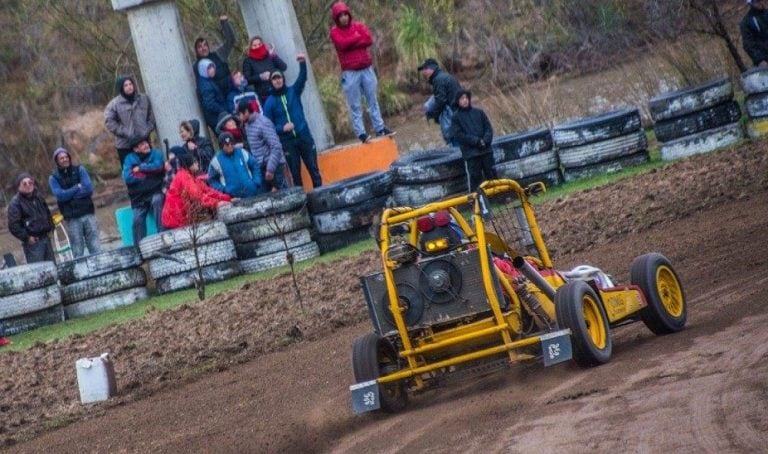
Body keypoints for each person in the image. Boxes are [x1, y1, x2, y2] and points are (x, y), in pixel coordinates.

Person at [329, 2, 394, 143]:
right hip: (350, 72)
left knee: (373, 100)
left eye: (345, 14)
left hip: (366, 68)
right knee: (355, 104)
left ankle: (380, 128)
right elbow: (342, 44)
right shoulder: (334, 32)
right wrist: (357, 38)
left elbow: (368, 39)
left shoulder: (358, 26)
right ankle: (361, 133)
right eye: (340, 16)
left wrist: (351, 41)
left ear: (349, 14)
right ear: (336, 18)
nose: (344, 18)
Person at [262, 55, 323, 188]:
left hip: (304, 136)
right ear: (271, 82)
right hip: (287, 143)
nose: (277, 81)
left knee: (314, 170)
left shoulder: (293, 91)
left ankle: (321, 198)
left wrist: (302, 63)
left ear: (283, 79)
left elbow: (302, 78)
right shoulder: (269, 102)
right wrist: (282, 129)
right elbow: (268, 127)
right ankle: (303, 204)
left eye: (279, 78)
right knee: (296, 176)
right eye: (274, 79)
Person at [48, 148, 103, 258]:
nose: (65, 160)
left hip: (88, 213)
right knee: (77, 248)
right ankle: (80, 272)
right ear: (57, 161)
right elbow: (60, 196)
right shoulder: (53, 178)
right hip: (72, 218)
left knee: (95, 245)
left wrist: (69, 196)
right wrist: (76, 188)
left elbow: (88, 189)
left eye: (66, 157)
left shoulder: (80, 170)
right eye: (61, 158)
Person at [162, 154, 232, 229]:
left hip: (180, 218)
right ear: (189, 165)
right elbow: (199, 197)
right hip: (175, 220)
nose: (197, 164)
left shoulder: (193, 177)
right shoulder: (185, 177)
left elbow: (208, 191)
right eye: (195, 162)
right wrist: (217, 203)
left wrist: (228, 198)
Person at [238, 101, 292, 192]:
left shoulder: (262, 123)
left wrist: (270, 168)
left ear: (246, 112)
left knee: (284, 193)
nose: (239, 117)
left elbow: (276, 146)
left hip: (274, 165)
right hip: (262, 167)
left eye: (240, 114)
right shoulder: (247, 125)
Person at [449, 90, 497, 192]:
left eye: (466, 98)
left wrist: (485, 140)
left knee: (492, 174)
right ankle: (478, 201)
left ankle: (499, 195)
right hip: (471, 154)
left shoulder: (479, 112)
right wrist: (476, 141)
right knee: (475, 178)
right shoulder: (455, 118)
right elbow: (460, 135)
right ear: (457, 101)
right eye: (462, 99)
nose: (465, 100)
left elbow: (488, 128)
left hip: (486, 150)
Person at [104, 75, 156, 166]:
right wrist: (125, 132)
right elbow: (109, 121)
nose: (129, 87)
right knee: (131, 173)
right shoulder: (114, 104)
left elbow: (151, 117)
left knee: (149, 170)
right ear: (121, 88)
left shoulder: (143, 99)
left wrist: (146, 130)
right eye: (126, 85)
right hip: (125, 145)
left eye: (130, 84)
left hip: (144, 142)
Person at [123, 136, 165, 244]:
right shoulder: (129, 158)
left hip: (155, 191)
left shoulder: (156, 153)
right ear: (135, 149)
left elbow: (158, 167)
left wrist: (141, 168)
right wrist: (146, 175)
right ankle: (139, 248)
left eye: (146, 142)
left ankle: (163, 236)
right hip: (139, 197)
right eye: (142, 144)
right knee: (137, 219)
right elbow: (127, 177)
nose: (146, 145)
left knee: (157, 201)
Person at [7, 172, 55, 264]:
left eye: (30, 183)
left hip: (46, 238)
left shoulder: (38, 197)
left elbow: (47, 213)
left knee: (52, 267)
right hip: (33, 244)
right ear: (19, 186)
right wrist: (27, 238)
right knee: (39, 272)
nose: (28, 185)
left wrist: (51, 228)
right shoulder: (15, 203)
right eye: (24, 183)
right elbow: (13, 226)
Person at [418, 58, 463, 146]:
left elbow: (441, 101)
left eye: (425, 69)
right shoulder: (443, 76)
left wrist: (432, 114)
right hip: (459, 112)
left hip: (453, 115)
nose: (423, 72)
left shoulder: (438, 80)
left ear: (431, 69)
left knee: (455, 141)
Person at [207, 132, 264, 198]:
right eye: (227, 145)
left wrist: (256, 182)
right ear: (221, 146)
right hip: (234, 198)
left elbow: (255, 165)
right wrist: (223, 190)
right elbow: (212, 180)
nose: (230, 146)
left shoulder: (242, 152)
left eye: (232, 143)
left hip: (252, 193)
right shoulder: (216, 160)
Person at [193, 15, 236, 96]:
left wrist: (225, 23)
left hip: (232, 89)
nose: (203, 48)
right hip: (219, 98)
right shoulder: (196, 67)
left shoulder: (218, 54)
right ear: (196, 50)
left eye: (205, 45)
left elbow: (231, 40)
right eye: (199, 46)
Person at [242, 36, 288, 105]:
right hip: (265, 97)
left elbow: (284, 67)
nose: (257, 47)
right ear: (250, 47)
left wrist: (274, 56)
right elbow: (247, 80)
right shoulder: (248, 61)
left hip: (279, 92)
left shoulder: (269, 55)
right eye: (254, 45)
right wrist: (260, 77)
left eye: (259, 44)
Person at [197, 59, 231, 135]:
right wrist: (223, 110)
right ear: (203, 70)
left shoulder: (208, 80)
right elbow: (210, 104)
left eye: (212, 66)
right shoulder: (205, 85)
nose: (212, 69)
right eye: (209, 68)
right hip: (216, 119)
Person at [741, 0, 768, 67]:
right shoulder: (746, 22)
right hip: (765, 59)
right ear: (751, 3)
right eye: (757, 1)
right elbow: (748, 44)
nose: (761, 3)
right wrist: (760, 60)